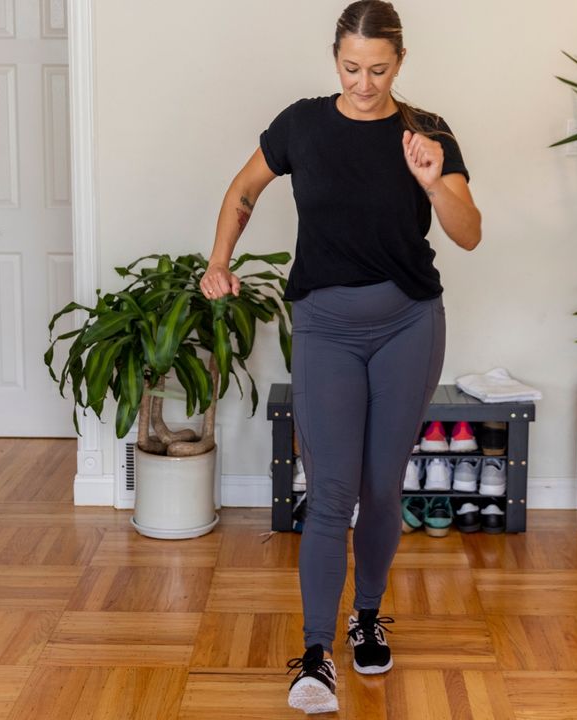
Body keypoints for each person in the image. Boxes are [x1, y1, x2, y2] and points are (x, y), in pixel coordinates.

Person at [199, 0, 481, 713]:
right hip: (324, 325)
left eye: (378, 69)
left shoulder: (428, 131)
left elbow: (469, 232)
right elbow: (242, 189)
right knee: (331, 494)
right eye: (351, 68)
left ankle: (367, 618)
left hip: (408, 324)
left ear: (400, 62)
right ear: (335, 60)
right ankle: (318, 652)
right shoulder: (302, 124)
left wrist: (430, 181)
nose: (363, 82)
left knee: (383, 488)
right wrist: (218, 261)